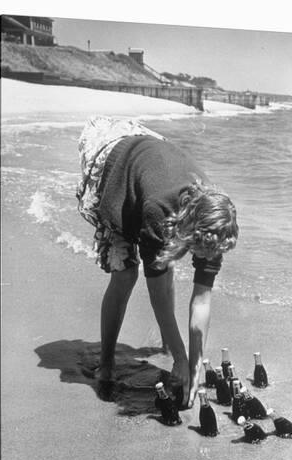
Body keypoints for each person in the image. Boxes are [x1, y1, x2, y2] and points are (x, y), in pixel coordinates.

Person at [77, 116, 238, 409]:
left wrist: (196, 362)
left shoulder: (216, 222)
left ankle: (170, 344)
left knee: (166, 262)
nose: (204, 258)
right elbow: (159, 294)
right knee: (126, 274)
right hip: (115, 163)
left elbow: (202, 300)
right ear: (191, 231)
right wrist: (181, 357)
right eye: (200, 251)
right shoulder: (158, 211)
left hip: (153, 158)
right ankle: (107, 361)